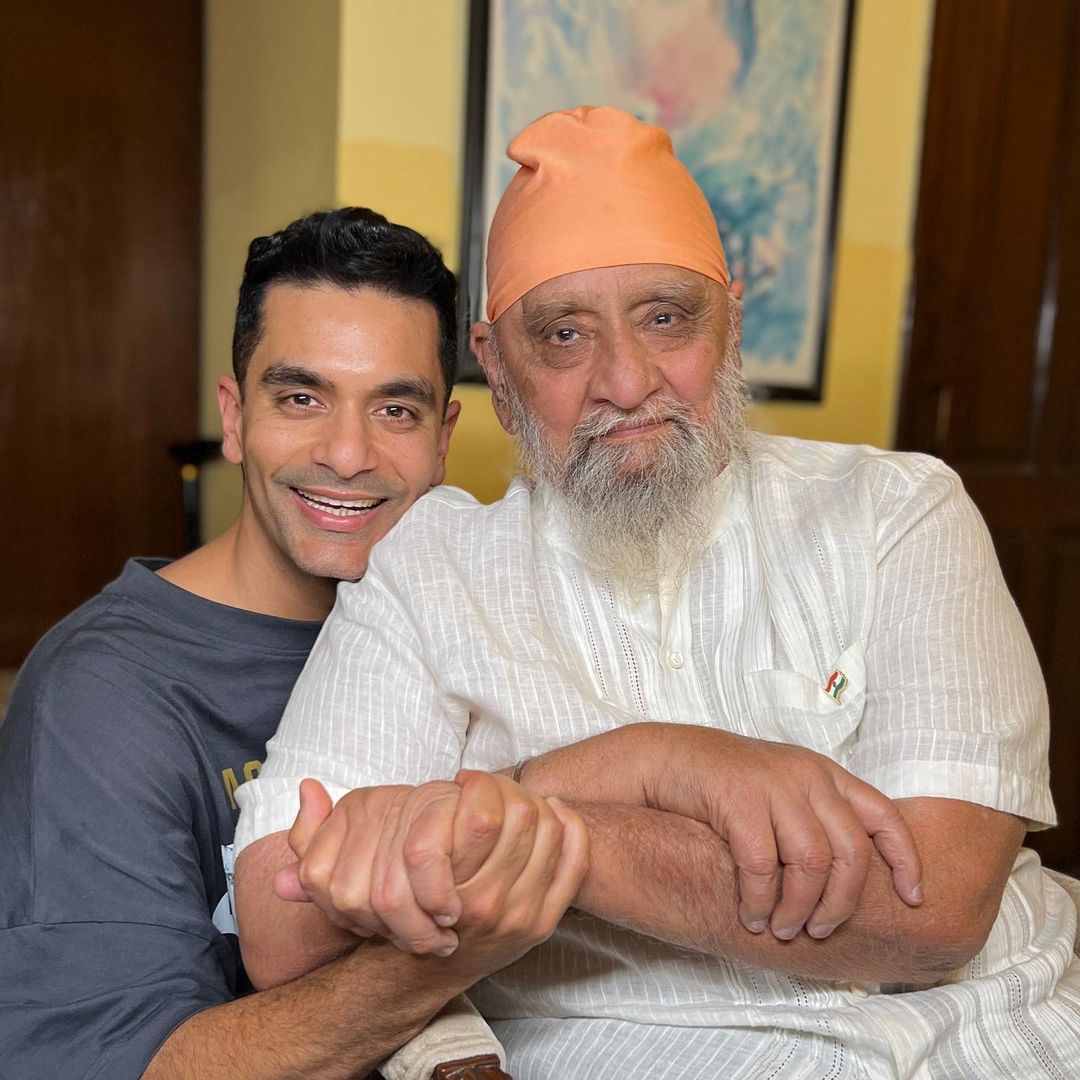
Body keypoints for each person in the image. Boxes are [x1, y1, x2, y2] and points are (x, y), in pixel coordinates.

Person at [235, 109, 1080, 1079]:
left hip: (1015, 1036)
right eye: (563, 336)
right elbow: (283, 916)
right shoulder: (429, 568)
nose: (627, 381)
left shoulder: (898, 513)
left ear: (731, 322)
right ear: (500, 374)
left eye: (666, 318)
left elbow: (935, 910)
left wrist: (543, 821)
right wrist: (655, 765)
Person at [0, 206, 586, 1080]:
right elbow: (121, 1064)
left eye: (395, 407)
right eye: (301, 398)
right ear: (234, 418)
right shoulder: (104, 696)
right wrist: (459, 949)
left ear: (442, 443)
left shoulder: (493, 621)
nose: (347, 453)